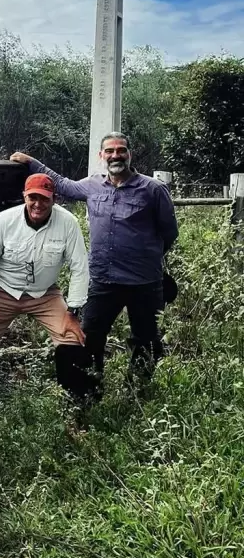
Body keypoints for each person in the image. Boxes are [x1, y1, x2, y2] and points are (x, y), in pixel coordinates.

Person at [10, 133, 179, 385]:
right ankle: (89, 392)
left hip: (145, 282)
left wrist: (146, 256)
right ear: (102, 156)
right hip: (103, 280)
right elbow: (61, 184)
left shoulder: (152, 190)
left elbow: (169, 232)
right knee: (89, 337)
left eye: (121, 150)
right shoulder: (92, 185)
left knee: (146, 340)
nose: (115, 155)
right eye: (109, 151)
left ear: (130, 154)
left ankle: (139, 392)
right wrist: (32, 162)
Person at [0, 174, 93, 403]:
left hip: (45, 293)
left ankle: (73, 404)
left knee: (73, 338)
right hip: (3, 290)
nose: (38, 204)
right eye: (33, 198)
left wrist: (73, 313)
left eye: (44, 199)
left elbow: (80, 268)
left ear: (54, 199)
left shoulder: (68, 222)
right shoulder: (4, 220)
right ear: (25, 197)